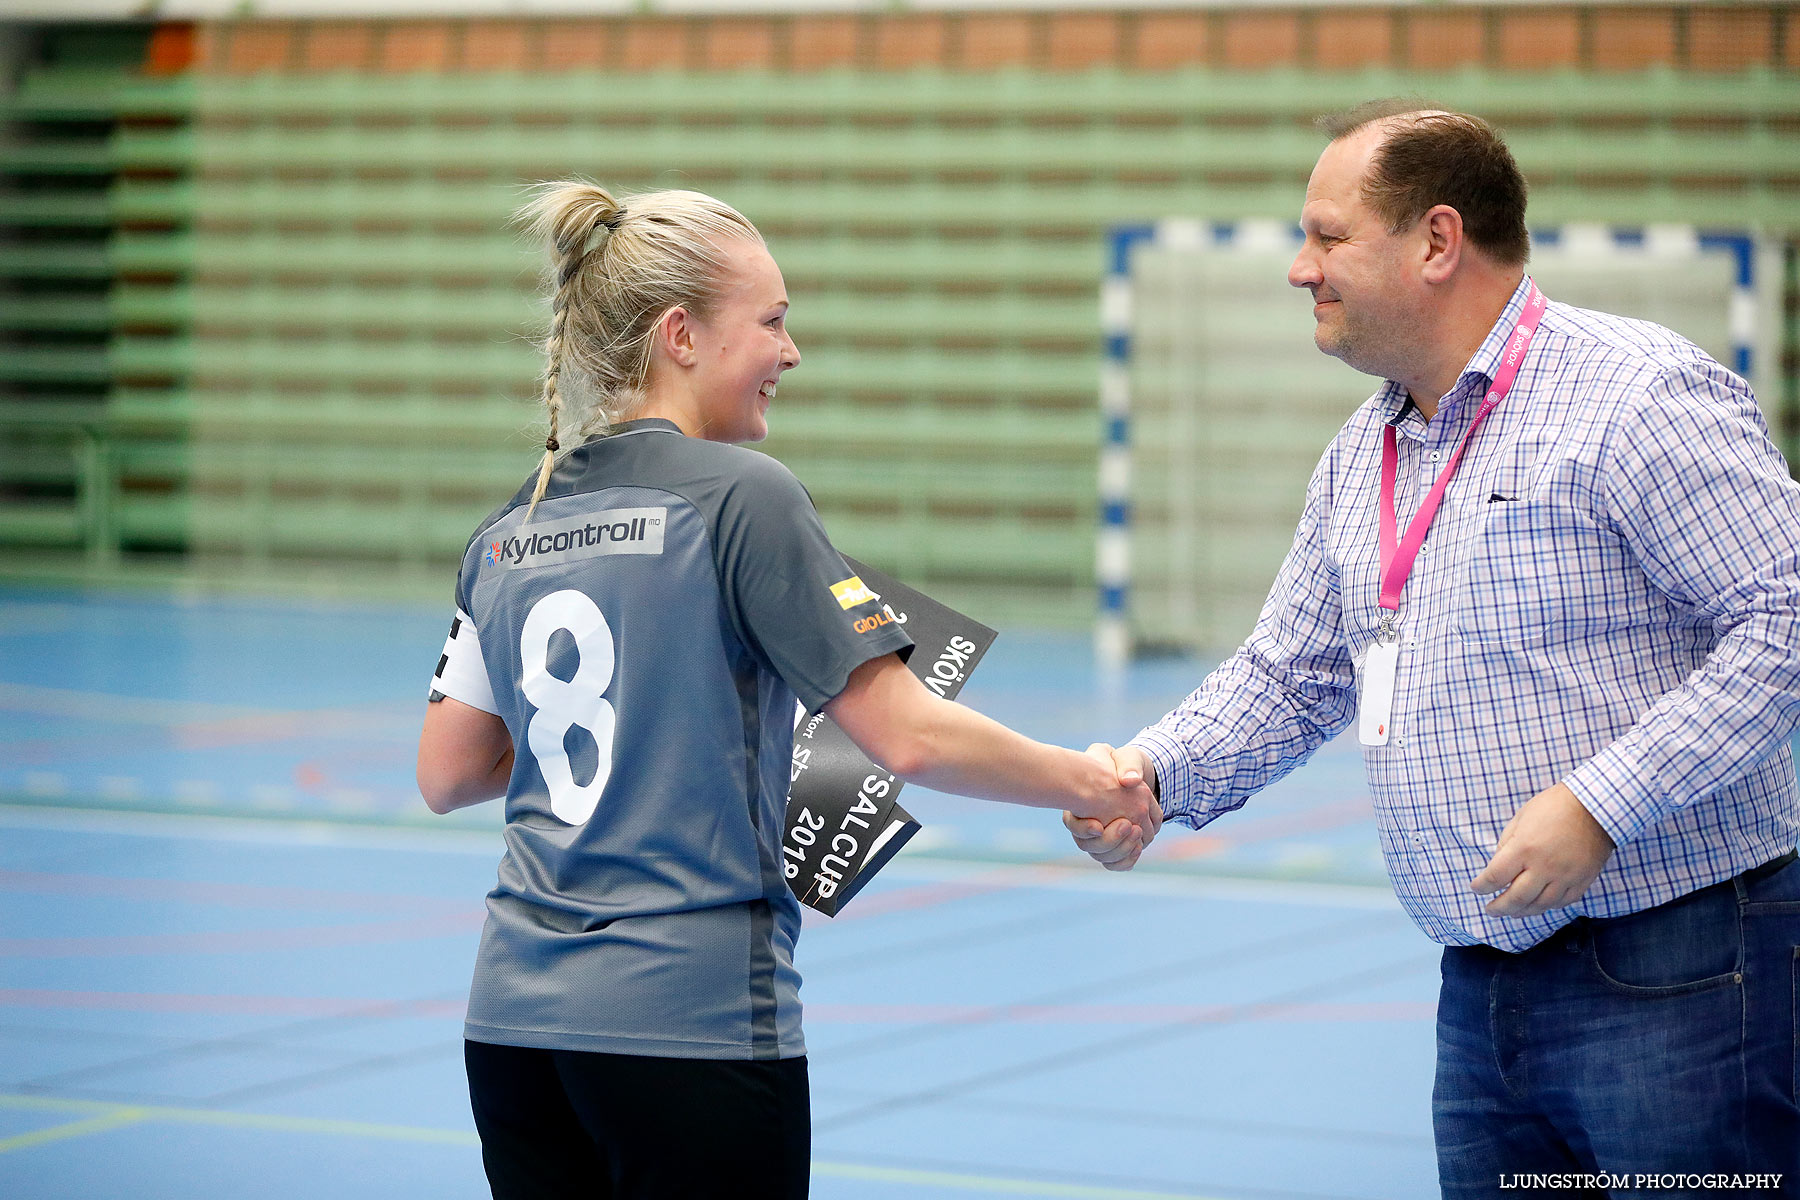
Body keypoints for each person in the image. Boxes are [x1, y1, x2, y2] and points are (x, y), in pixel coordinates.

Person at [1068, 100, 1800, 1194]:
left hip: (1682, 967)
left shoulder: (1636, 392)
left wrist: (1604, 802)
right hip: (1482, 986)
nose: (1298, 268)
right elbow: (1291, 673)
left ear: (1437, 240)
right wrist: (1152, 778)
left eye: (1327, 236)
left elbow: (1783, 616)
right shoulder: (1365, 450)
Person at [414, 182, 1157, 1200]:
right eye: (772, 322)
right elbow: (908, 738)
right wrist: (1095, 781)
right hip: (691, 1028)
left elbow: (448, 773)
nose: (791, 352)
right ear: (680, 335)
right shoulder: (741, 499)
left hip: (512, 1033)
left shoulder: (506, 529)